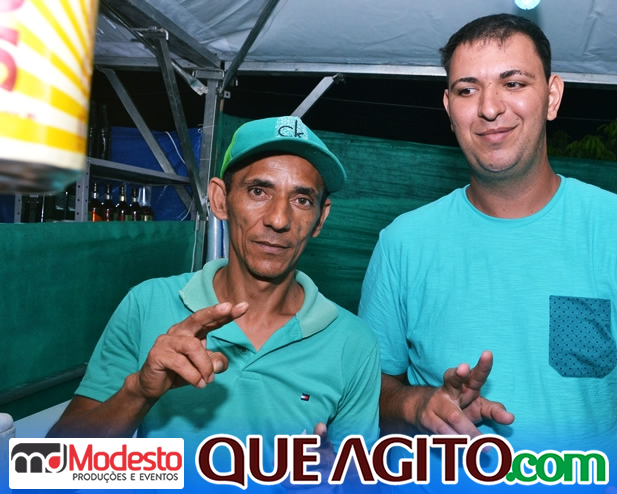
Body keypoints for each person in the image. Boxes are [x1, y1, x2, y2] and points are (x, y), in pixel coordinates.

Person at [358, 13, 617, 493]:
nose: (490, 108)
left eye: (513, 83)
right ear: (449, 107)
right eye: (467, 89)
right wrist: (417, 405)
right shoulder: (402, 244)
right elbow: (369, 395)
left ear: (552, 97)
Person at [48, 116, 381, 492]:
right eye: (259, 191)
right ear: (221, 199)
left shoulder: (354, 343)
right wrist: (138, 392)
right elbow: (50, 468)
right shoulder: (147, 303)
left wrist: (336, 484)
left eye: (302, 200)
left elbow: (360, 480)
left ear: (320, 218)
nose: (278, 219)